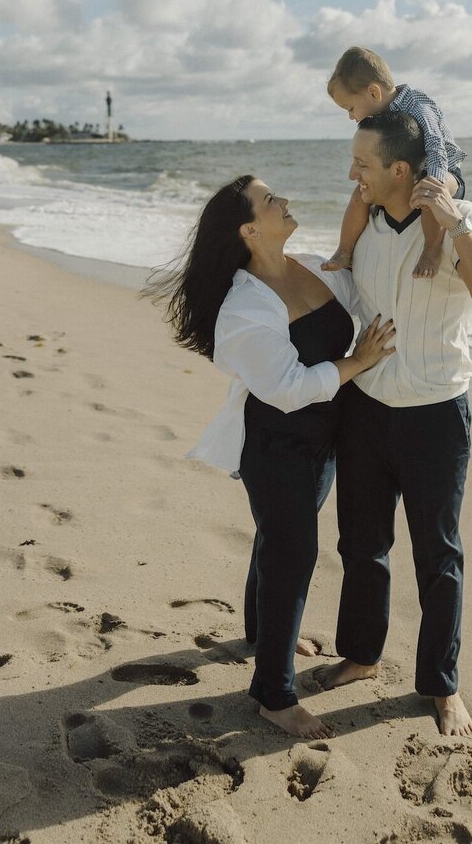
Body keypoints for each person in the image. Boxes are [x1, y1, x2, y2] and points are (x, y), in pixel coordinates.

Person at [155, 175, 395, 740]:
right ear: (249, 229)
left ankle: (261, 636)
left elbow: (365, 294)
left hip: (321, 441)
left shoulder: (309, 265)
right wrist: (356, 364)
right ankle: (274, 695)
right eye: (270, 200)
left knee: (278, 540)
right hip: (276, 445)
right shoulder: (244, 307)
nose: (284, 200)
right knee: (293, 552)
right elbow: (286, 388)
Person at [314, 112, 472, 737]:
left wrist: (455, 230)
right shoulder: (365, 224)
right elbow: (332, 289)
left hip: (436, 414)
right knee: (361, 543)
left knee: (438, 555)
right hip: (367, 408)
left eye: (363, 164)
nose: (353, 174)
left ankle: (441, 685)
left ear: (400, 169)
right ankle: (363, 654)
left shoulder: (463, 220)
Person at [323, 46, 466, 279]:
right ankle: (344, 251)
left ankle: (431, 249)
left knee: (428, 193)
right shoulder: (379, 117)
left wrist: (435, 181)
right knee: (359, 194)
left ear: (373, 93)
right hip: (407, 172)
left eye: (350, 108)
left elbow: (436, 147)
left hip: (444, 169)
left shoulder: (418, 106)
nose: (350, 116)